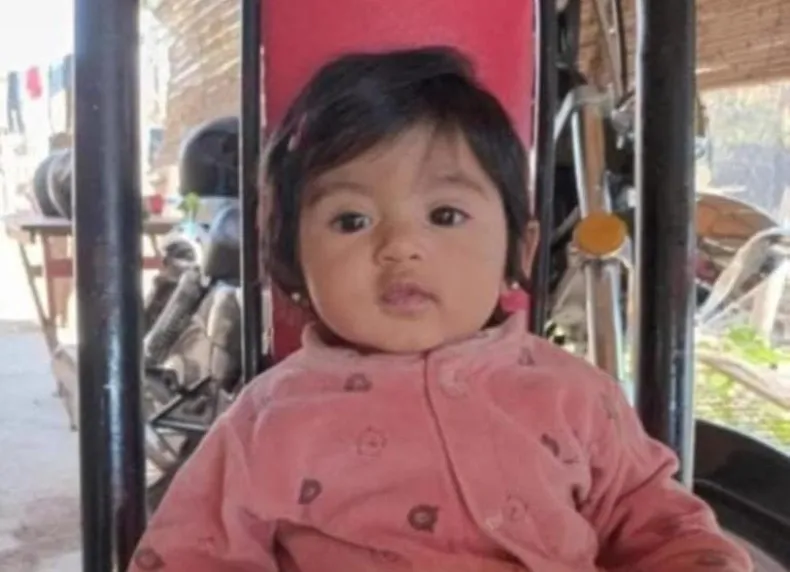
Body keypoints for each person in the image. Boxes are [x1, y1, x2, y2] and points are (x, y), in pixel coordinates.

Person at [128, 47, 752, 572]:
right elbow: (188, 555)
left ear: (520, 248)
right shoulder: (267, 420)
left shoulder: (576, 398)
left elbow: (659, 524)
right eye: (351, 220)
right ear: (293, 261)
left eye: (445, 215)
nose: (401, 246)